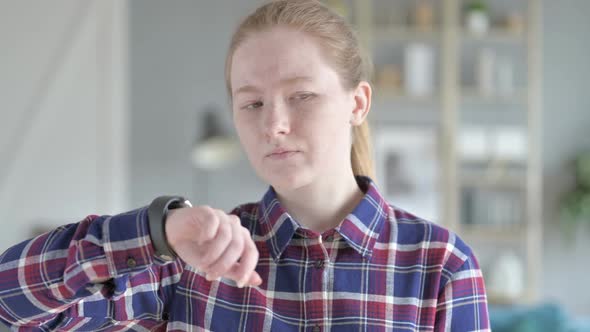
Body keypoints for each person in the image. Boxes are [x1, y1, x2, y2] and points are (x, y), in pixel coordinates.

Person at [0, 0, 489, 331]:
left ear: (358, 103)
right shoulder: (189, 266)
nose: (274, 124)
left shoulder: (441, 267)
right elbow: (11, 309)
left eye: (301, 96)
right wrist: (156, 233)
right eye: (252, 104)